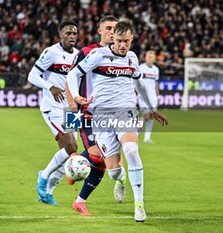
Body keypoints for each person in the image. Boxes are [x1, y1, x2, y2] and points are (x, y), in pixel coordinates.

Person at [67, 20, 168, 222]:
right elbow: (73, 73)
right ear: (114, 38)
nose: (123, 46)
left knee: (131, 150)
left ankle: (139, 205)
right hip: (101, 116)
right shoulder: (98, 55)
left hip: (126, 111)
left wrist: (151, 108)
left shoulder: (132, 58)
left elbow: (139, 83)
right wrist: (76, 97)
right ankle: (120, 179)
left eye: (127, 42)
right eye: (120, 41)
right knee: (113, 172)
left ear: (132, 40)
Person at [65, 15, 122, 216]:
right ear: (100, 31)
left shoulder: (122, 55)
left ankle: (79, 197)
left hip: (112, 114)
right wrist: (73, 101)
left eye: (115, 28)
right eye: (108, 28)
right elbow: (71, 76)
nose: (112, 32)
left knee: (104, 163)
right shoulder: (87, 52)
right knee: (99, 156)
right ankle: (74, 166)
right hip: (88, 113)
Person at [27, 20, 79, 204]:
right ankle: (44, 175)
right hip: (53, 107)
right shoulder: (51, 52)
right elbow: (32, 76)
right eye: (68, 33)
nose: (72, 36)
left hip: (72, 108)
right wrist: (50, 87)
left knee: (68, 154)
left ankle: (47, 193)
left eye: (75, 33)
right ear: (60, 35)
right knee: (71, 147)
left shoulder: (79, 56)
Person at [139, 50, 160, 143]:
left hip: (153, 97)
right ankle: (136, 125)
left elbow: (156, 83)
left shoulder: (156, 69)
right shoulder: (141, 68)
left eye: (152, 56)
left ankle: (147, 137)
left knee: (152, 116)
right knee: (147, 116)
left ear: (155, 58)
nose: (150, 58)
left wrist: (157, 95)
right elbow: (136, 81)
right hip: (143, 96)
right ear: (145, 57)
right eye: (149, 56)